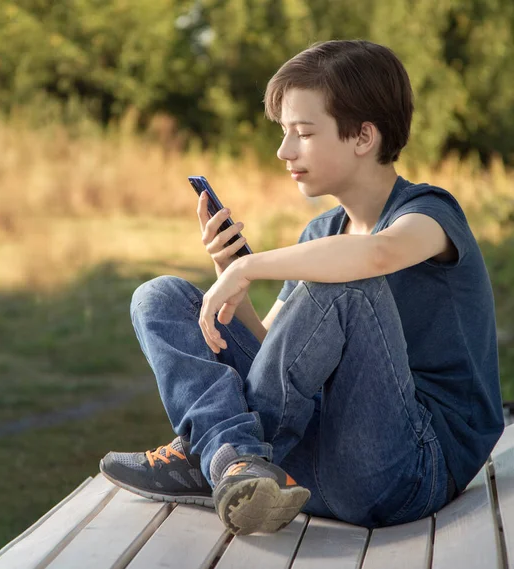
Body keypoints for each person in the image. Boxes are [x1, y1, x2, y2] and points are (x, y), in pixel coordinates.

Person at [99, 39, 504, 535]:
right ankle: (235, 463)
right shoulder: (322, 233)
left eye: (303, 133)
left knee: (347, 288)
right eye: (284, 133)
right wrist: (233, 273)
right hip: (310, 462)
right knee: (159, 296)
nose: (283, 150)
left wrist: (252, 269)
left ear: (363, 137)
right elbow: (280, 352)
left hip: (410, 468)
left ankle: (214, 453)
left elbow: (376, 255)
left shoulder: (430, 214)